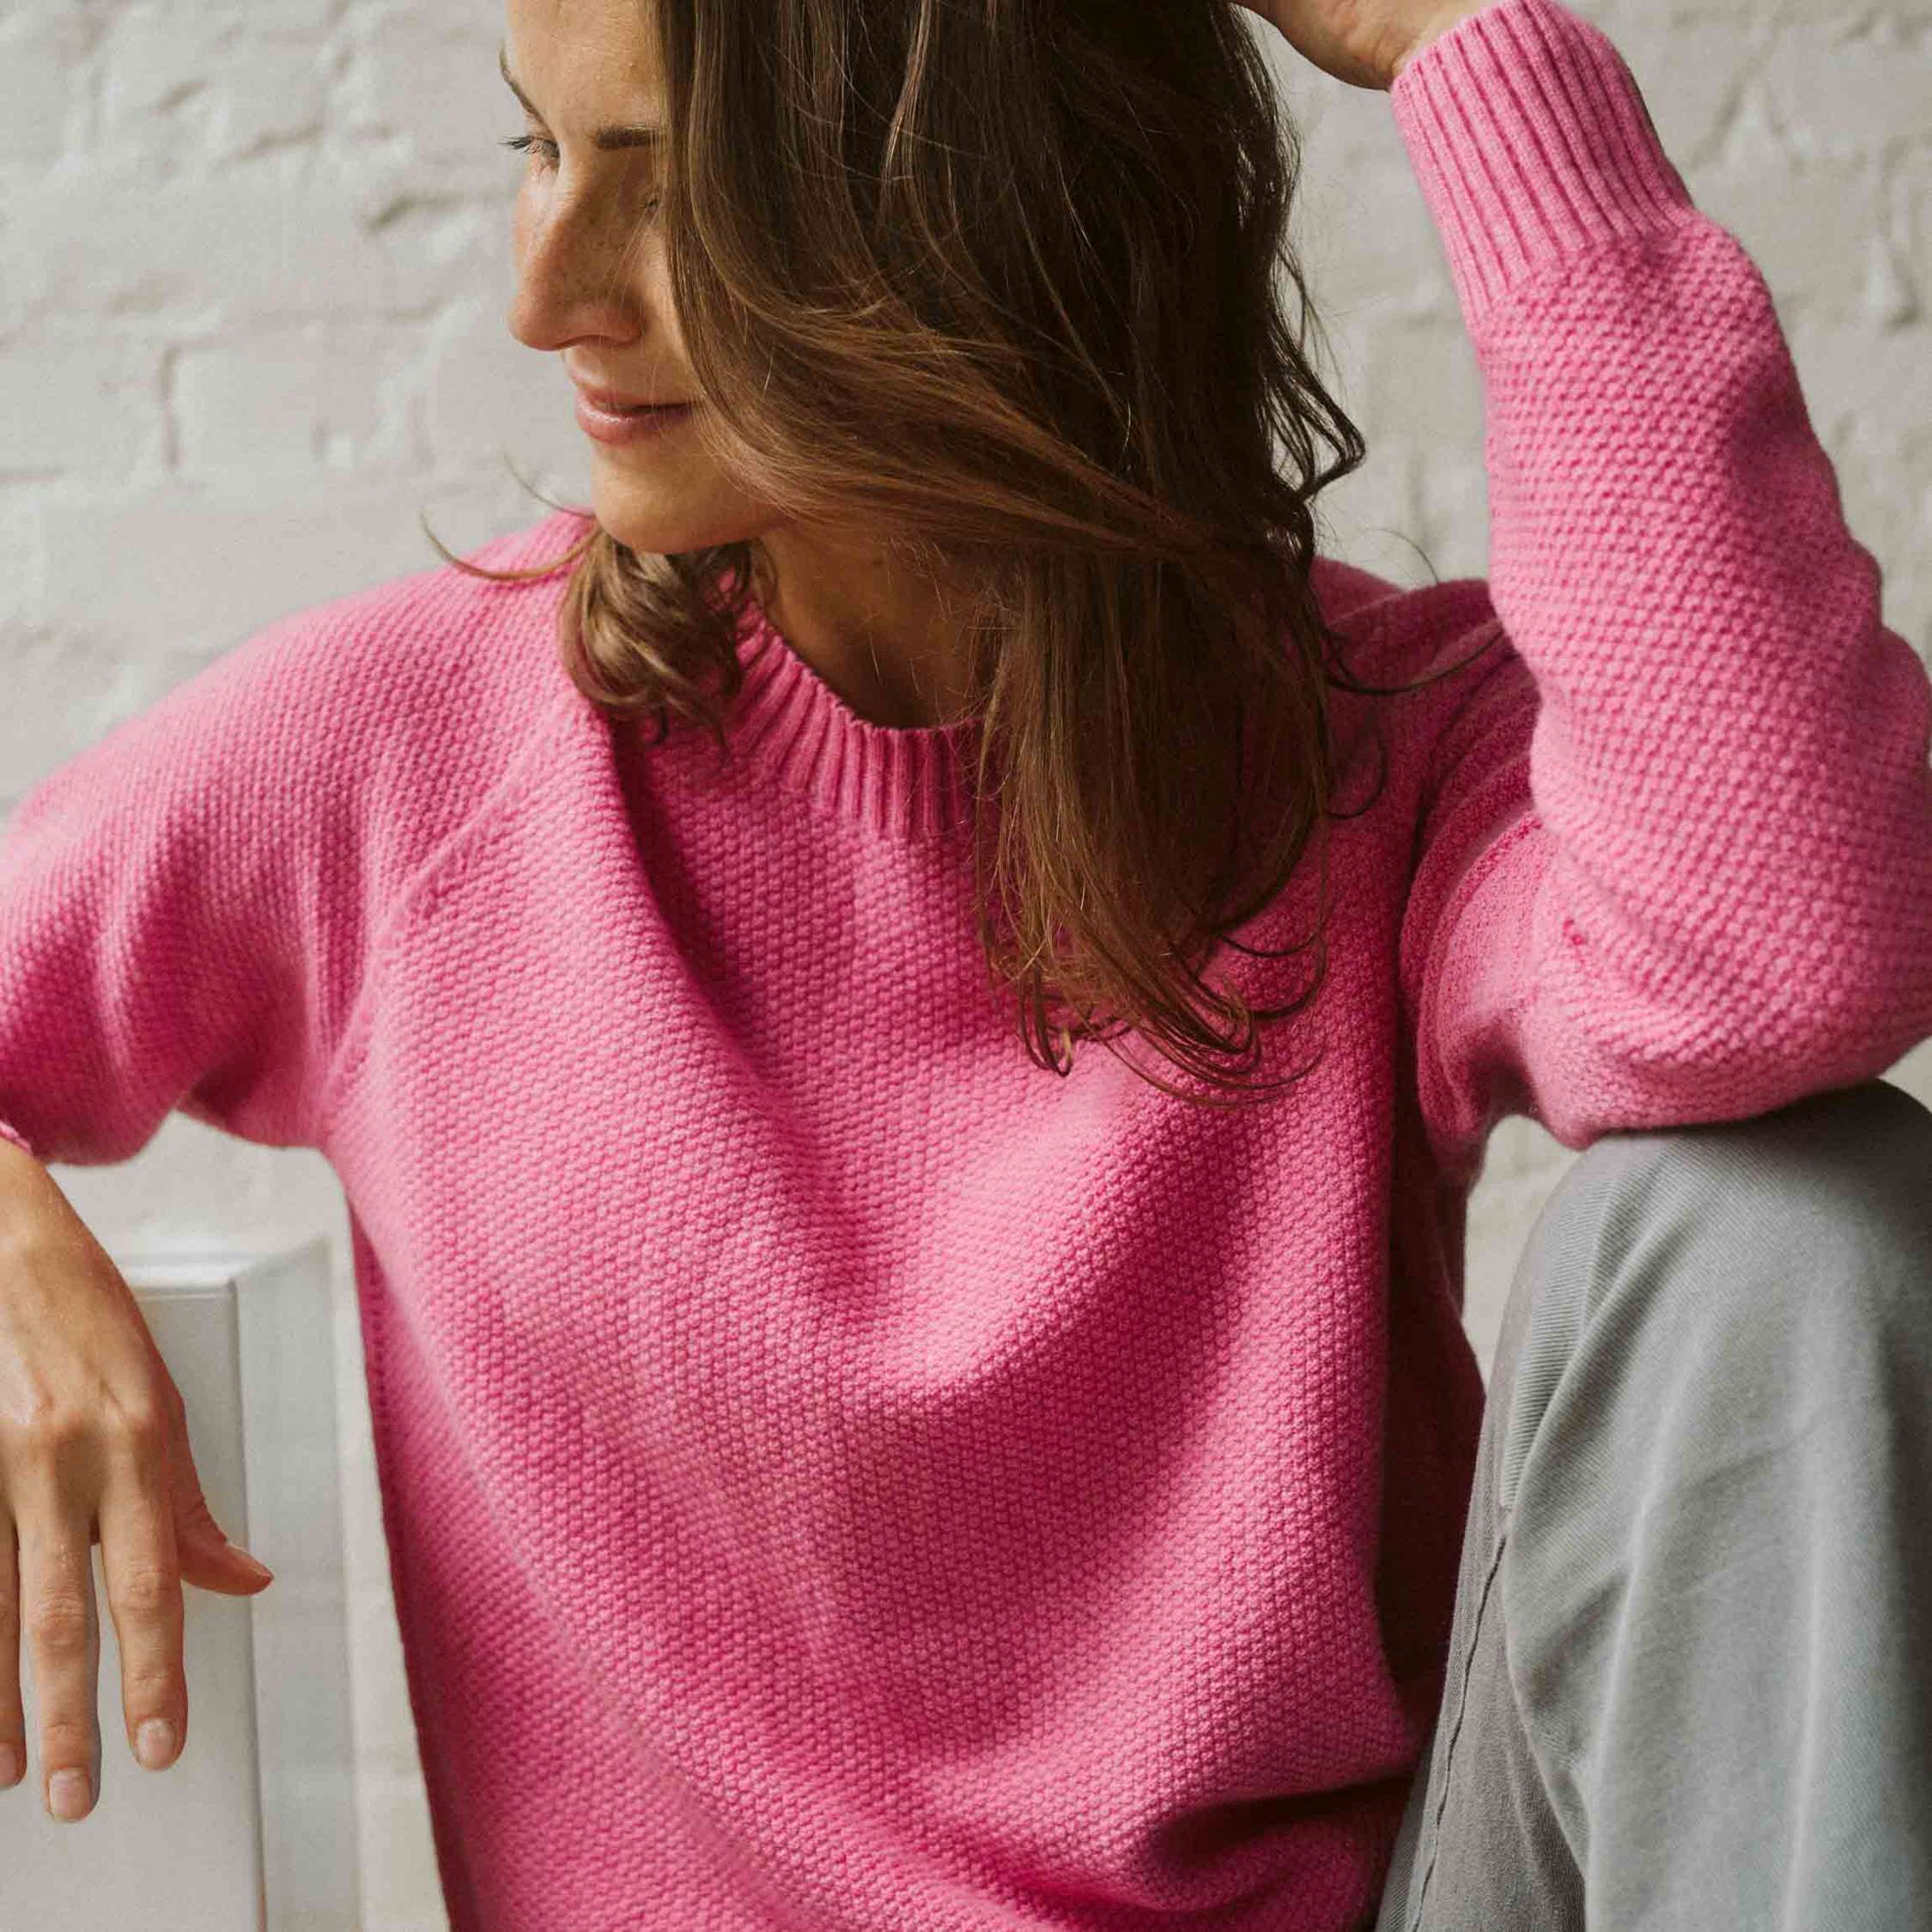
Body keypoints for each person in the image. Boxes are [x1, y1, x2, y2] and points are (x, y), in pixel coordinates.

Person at [1, 0, 1928, 1925]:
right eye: (541, 152)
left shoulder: (1379, 750)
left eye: (667, 190)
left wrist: (1477, 48)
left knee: (1789, 1223)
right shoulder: (409, 762)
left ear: (957, 208)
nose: (544, 296)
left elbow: (1788, 954)